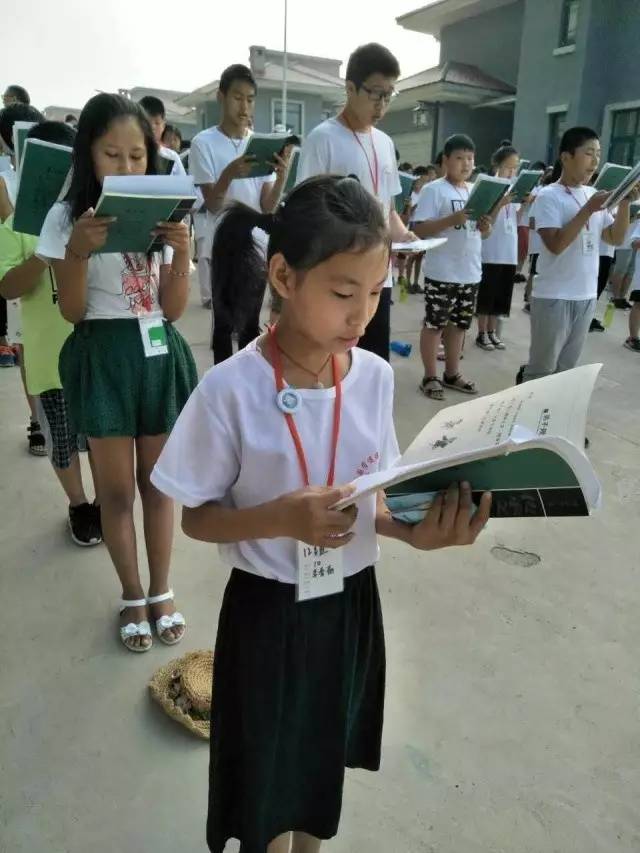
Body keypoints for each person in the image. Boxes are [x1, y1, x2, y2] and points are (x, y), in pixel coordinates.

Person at [150, 174, 492, 853]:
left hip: (349, 605)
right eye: (342, 293)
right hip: (268, 612)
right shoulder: (229, 389)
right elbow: (197, 518)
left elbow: (375, 501)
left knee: (318, 762)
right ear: (283, 273)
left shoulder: (371, 376)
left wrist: (412, 532)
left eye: (375, 292)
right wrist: (278, 517)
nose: (362, 315)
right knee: (265, 783)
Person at [36, 93, 198, 651]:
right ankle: (131, 593)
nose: (128, 167)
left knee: (158, 487)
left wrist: (181, 254)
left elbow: (173, 310)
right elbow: (72, 312)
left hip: (156, 354)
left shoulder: (164, 209)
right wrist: (78, 251)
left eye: (137, 156)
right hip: (103, 354)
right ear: (89, 155)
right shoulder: (65, 217)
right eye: (113, 154)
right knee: (116, 493)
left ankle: (161, 589)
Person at [0, 120, 102, 545]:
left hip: (95, 355)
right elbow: (7, 287)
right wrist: (45, 252)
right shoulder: (15, 228)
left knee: (99, 438)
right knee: (63, 442)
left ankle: (103, 502)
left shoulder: (92, 222)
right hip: (49, 361)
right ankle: (79, 504)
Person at [296, 43, 416, 361]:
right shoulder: (323, 139)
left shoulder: (385, 143)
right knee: (333, 359)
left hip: (378, 277)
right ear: (350, 88)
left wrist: (404, 236)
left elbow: (386, 208)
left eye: (390, 95)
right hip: (340, 276)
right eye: (376, 93)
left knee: (373, 360)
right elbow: (305, 210)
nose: (382, 104)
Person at [520, 127, 636, 383]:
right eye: (588, 153)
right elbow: (555, 245)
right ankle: (527, 421)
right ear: (566, 157)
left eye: (598, 154)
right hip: (554, 296)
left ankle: (551, 419)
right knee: (542, 370)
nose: (595, 161)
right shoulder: (548, 196)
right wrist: (588, 209)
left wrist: (625, 202)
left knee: (565, 371)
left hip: (585, 295)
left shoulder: (593, 195)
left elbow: (615, 238)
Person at [189, 63, 290, 329]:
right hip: (222, 245)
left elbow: (267, 206)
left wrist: (281, 178)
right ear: (221, 97)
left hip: (255, 245)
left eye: (250, 99)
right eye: (237, 98)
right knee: (224, 328)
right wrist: (229, 174)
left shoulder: (258, 143)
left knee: (250, 326)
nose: (244, 107)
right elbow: (212, 204)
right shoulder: (204, 143)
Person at [412, 133, 492, 400]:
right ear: (446, 160)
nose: (466, 164)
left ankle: (452, 373)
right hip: (442, 272)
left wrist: (485, 227)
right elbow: (419, 229)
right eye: (459, 158)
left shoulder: (474, 190)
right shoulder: (434, 190)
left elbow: (481, 234)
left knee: (459, 325)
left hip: (470, 272)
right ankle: (430, 375)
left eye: (470, 158)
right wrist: (452, 219)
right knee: (435, 324)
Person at [0, 102, 47, 452]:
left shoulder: (53, 169)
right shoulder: (4, 174)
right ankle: (38, 420)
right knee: (26, 346)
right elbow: (10, 218)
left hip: (54, 265)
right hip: (19, 262)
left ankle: (58, 414)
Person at [476, 142, 522, 351]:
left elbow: (516, 218)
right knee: (487, 294)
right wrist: (500, 203)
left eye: (515, 168)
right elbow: (487, 220)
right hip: (491, 251)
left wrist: (526, 202)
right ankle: (481, 332)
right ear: (497, 165)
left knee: (500, 295)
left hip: (508, 250)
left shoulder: (514, 188)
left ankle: (493, 332)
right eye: (508, 167)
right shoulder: (488, 185)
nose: (512, 172)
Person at [406, 164, 437, 293]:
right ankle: (407, 282)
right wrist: (416, 205)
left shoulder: (425, 193)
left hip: (423, 224)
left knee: (419, 257)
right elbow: (407, 213)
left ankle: (415, 283)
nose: (423, 183)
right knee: (412, 256)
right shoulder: (411, 194)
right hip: (414, 225)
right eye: (421, 180)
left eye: (425, 181)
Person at [138, 95, 186, 176]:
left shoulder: (171, 157)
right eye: (147, 122)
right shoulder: (127, 155)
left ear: (163, 125)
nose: (152, 127)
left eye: (157, 123)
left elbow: (184, 186)